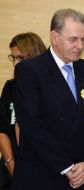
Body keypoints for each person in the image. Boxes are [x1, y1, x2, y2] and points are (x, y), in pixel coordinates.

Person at [11, 8, 84, 190]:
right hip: (42, 175)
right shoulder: (29, 71)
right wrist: (67, 167)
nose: (79, 46)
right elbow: (32, 124)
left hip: (82, 176)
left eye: (83, 39)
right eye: (73, 39)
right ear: (54, 37)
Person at [0, 32, 47, 190]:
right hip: (11, 170)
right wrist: (11, 165)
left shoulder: (49, 89)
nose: (15, 63)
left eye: (20, 58)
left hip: (43, 170)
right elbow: (2, 129)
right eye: (13, 57)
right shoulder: (10, 87)